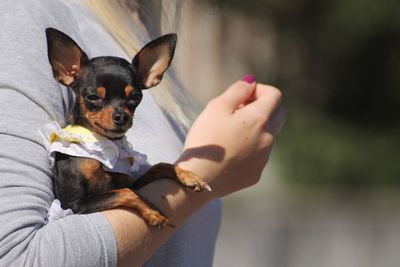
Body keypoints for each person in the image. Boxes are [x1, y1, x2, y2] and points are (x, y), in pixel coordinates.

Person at [0, 0, 285, 266]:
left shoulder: (139, 23)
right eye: (96, 99)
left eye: (131, 99)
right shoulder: (27, 14)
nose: (119, 113)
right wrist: (207, 170)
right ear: (66, 70)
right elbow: (18, 258)